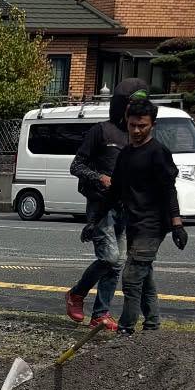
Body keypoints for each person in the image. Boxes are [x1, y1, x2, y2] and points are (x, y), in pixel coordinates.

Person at [64, 77, 145, 331]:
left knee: (117, 263)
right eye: (132, 105)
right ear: (122, 105)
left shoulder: (136, 137)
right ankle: (76, 294)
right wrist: (99, 177)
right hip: (100, 206)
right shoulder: (101, 131)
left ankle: (100, 314)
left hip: (124, 207)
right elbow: (76, 166)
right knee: (109, 258)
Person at [112, 92, 187, 334]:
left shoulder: (158, 152)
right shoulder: (126, 154)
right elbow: (115, 190)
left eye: (142, 126)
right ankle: (152, 327)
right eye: (132, 125)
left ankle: (126, 329)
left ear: (152, 124)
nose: (136, 130)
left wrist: (177, 224)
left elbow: (169, 189)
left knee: (132, 277)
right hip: (133, 222)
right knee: (144, 277)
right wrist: (93, 221)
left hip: (153, 224)